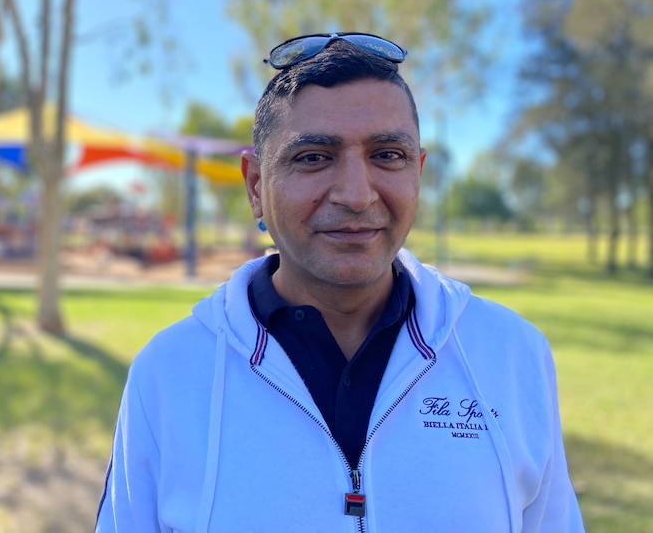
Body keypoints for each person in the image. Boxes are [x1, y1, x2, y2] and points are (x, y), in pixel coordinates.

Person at [96, 32, 585, 532]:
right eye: (313, 157)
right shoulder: (169, 372)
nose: (355, 194)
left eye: (387, 155)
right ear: (256, 186)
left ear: (417, 173)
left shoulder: (510, 354)